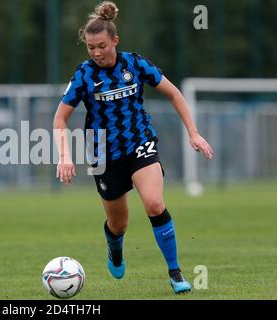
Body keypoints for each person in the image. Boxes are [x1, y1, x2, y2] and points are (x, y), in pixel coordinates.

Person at [53, 1, 213, 294]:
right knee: (118, 224)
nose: (97, 52)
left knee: (154, 203)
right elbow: (60, 119)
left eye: (102, 45)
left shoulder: (135, 64)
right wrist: (64, 156)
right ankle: (115, 248)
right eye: (90, 47)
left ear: (115, 40)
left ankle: (175, 273)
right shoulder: (84, 75)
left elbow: (175, 95)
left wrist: (193, 132)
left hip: (140, 143)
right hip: (104, 156)